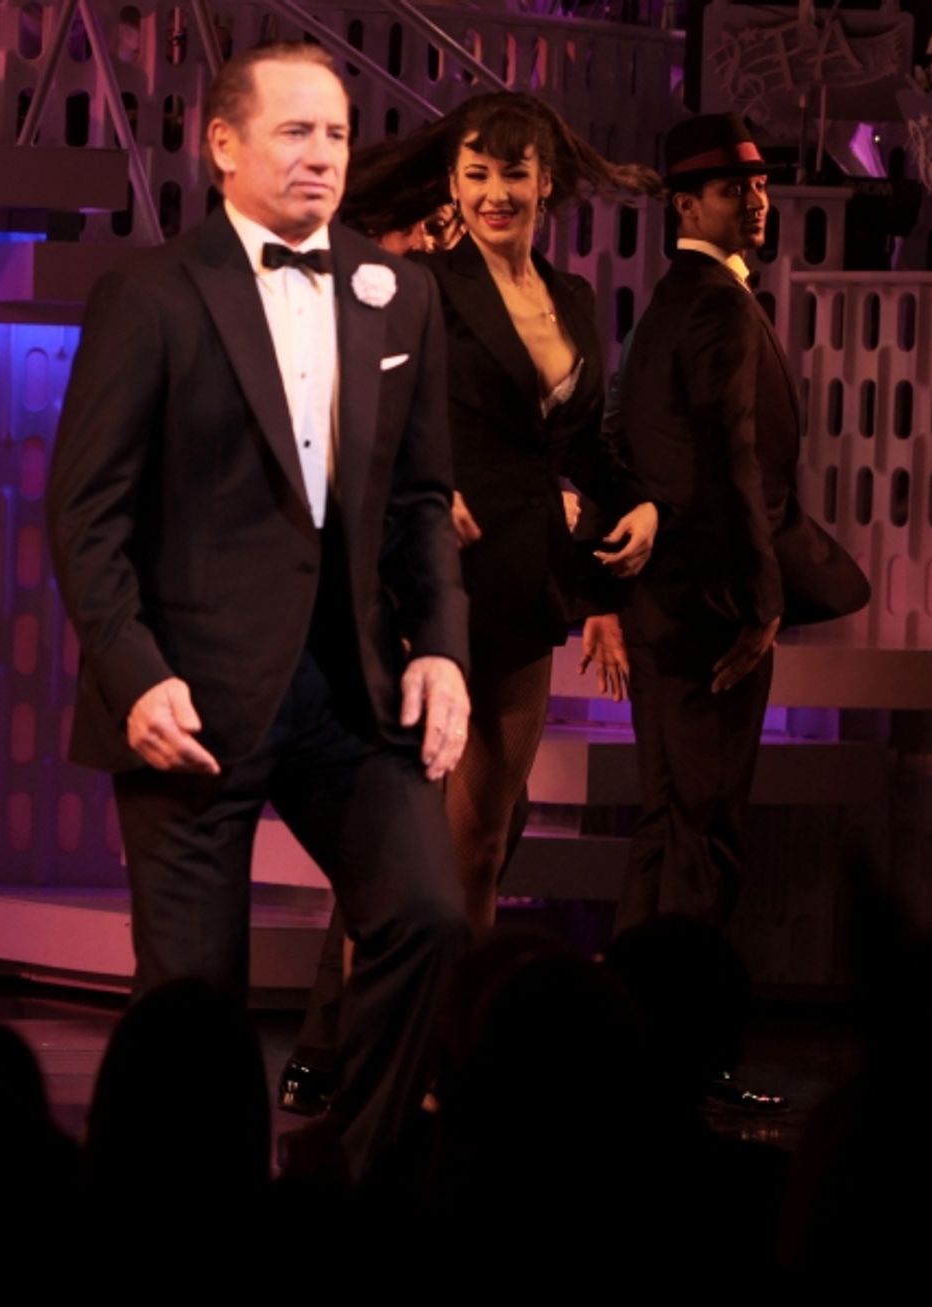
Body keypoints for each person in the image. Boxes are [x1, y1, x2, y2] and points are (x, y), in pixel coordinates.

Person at [46, 41, 471, 1179]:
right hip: (192, 697)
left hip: (350, 690)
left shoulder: (400, 290)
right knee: (191, 1006)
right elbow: (85, 515)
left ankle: (352, 1173)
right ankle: (188, 1214)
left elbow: (423, 502)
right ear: (222, 145)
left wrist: (443, 649)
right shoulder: (149, 294)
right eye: (295, 131)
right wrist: (134, 672)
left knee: (429, 915)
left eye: (335, 133)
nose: (321, 155)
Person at [281, 94, 663, 1114]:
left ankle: (452, 1061)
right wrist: (419, 481)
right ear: (453, 183)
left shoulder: (575, 300)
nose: (497, 193)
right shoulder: (419, 288)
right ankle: (375, 1067)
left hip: (527, 593)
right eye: (479, 173)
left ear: (548, 182)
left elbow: (585, 449)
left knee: (483, 844)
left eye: (515, 173)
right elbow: (347, 401)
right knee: (401, 857)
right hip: (426, 594)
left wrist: (641, 510)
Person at [610, 112, 869, 942]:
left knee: (668, 828)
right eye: (733, 190)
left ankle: (645, 1043)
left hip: (668, 604)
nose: (756, 202)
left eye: (759, 186)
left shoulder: (669, 303)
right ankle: (685, 1053)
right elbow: (734, 464)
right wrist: (762, 602)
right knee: (703, 835)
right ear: (686, 206)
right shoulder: (714, 306)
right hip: (712, 607)